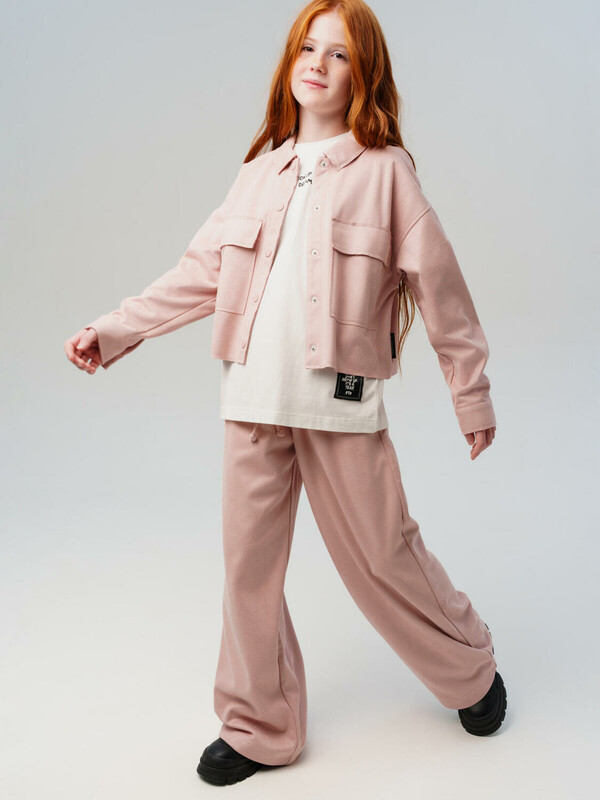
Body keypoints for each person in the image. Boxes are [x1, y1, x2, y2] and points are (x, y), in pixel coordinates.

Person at [64, 0, 507, 787]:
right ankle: (259, 727)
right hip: (251, 407)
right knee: (249, 573)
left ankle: (471, 671)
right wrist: (116, 329)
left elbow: (444, 292)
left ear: (363, 74)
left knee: (383, 557)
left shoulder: (386, 173)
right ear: (289, 62)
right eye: (308, 48)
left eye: (339, 54)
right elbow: (198, 275)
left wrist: (469, 396)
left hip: (339, 407)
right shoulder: (258, 174)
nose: (319, 65)